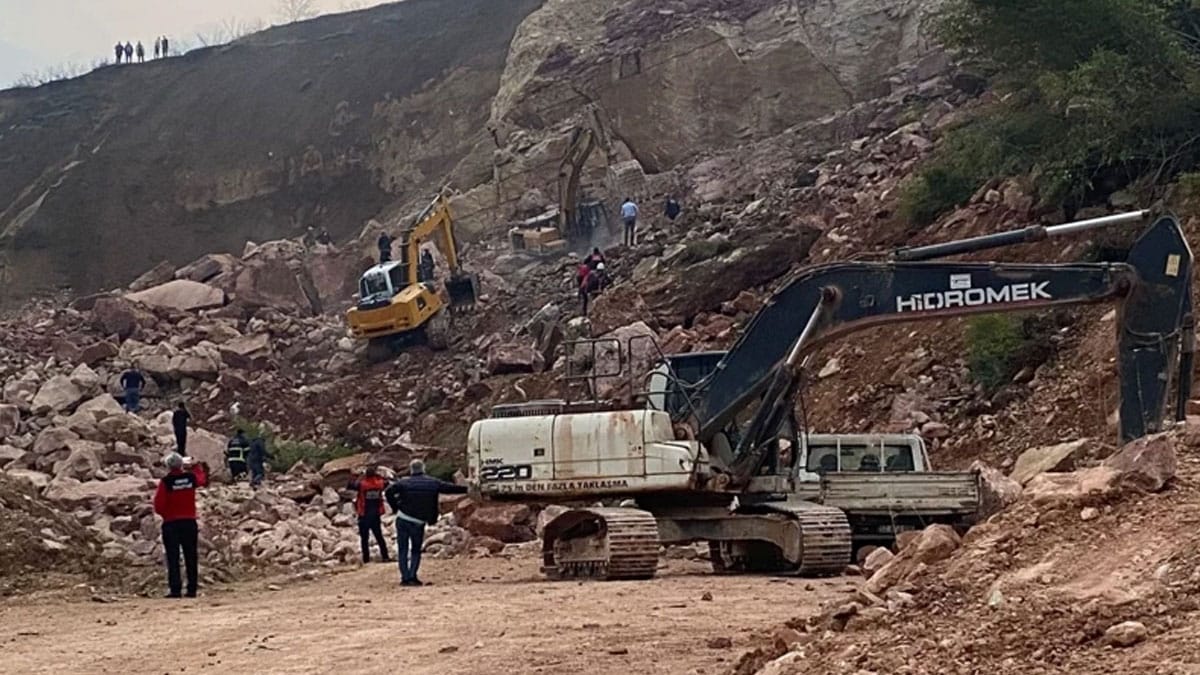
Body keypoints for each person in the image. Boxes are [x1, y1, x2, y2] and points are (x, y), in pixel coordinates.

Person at [384, 459, 467, 586]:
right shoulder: (432, 482)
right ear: (423, 469)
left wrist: (396, 507)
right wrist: (467, 489)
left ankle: (405, 578)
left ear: (411, 470)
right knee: (416, 550)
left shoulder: (403, 482)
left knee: (403, 549)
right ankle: (413, 576)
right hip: (418, 522)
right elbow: (450, 488)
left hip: (402, 518)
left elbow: (389, 491)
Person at [153, 453, 207, 598]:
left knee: (173, 557)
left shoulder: (166, 481)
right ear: (181, 464)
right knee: (191, 556)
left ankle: (175, 589)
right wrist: (196, 466)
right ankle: (192, 589)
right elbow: (201, 479)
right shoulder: (190, 478)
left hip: (171, 523)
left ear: (168, 466)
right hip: (189, 522)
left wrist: (167, 514)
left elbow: (158, 505)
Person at [348, 467, 390, 563]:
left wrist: (358, 476)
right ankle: (385, 556)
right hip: (376, 514)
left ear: (366, 475)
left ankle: (366, 559)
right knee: (379, 536)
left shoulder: (362, 484)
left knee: (364, 539)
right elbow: (387, 482)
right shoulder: (380, 484)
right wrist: (379, 475)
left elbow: (350, 485)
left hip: (364, 514)